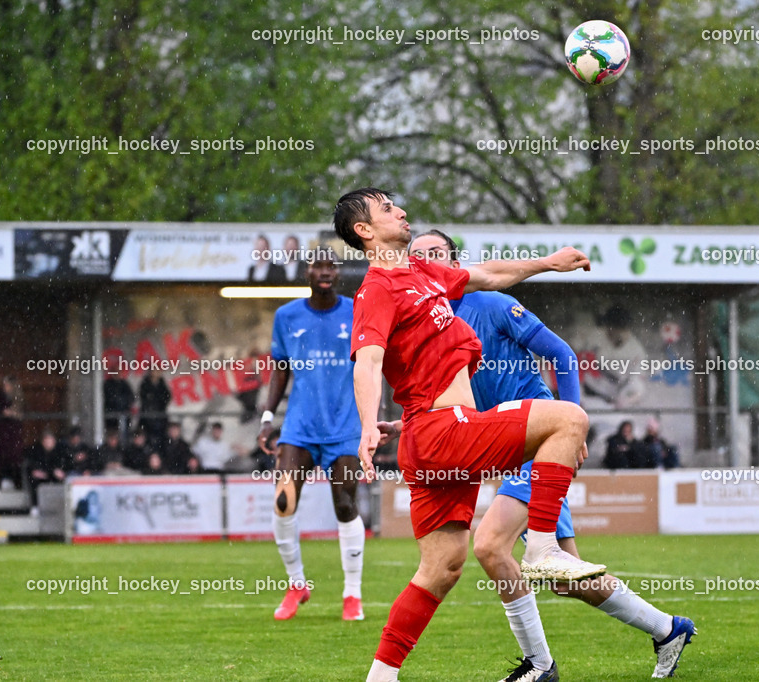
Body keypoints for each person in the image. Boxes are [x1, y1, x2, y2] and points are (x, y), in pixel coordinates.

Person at [333, 187, 605, 682]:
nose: (401, 210)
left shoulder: (423, 273)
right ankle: (544, 547)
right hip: (443, 432)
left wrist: (549, 261)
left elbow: (491, 274)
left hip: (430, 438)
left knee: (441, 568)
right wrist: (367, 424)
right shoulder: (375, 290)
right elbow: (367, 362)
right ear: (365, 232)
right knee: (569, 418)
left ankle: (380, 677)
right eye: (387, 208)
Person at [411, 230, 696, 680]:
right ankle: (668, 629)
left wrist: (571, 424)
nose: (425, 260)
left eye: (436, 253)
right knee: (564, 579)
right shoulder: (428, 322)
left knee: (489, 546)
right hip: (508, 447)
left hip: (540, 442)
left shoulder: (489, 303)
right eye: (417, 256)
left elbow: (562, 355)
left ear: (454, 263)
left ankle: (539, 667)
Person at [257, 252, 367, 621]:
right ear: (306, 272)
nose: (324, 272)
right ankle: (297, 583)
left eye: (331, 267)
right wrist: (268, 417)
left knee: (345, 506)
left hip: (345, 426)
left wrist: (372, 422)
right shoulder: (287, 316)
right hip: (300, 427)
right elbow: (280, 371)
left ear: (338, 273)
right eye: (318, 266)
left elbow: (373, 366)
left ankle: (352, 594)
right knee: (283, 502)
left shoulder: (357, 311)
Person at [24, 429, 68, 507]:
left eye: (50, 441)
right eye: (46, 441)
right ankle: (36, 505)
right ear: (42, 442)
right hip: (41, 480)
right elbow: (34, 468)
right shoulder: (36, 451)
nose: (48, 443)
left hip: (54, 479)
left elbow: (61, 469)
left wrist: (52, 473)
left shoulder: (59, 452)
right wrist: (49, 472)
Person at [0, 376, 24, 489]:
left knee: (14, 458)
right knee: (3, 456)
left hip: (13, 432)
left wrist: (12, 413)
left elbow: (20, 413)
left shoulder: (18, 398)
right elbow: (2, 410)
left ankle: (16, 482)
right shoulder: (0, 397)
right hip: (3, 431)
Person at [138, 370, 172, 451]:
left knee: (162, 437)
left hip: (160, 416)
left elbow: (167, 397)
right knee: (147, 438)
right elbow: (144, 398)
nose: (156, 373)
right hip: (147, 417)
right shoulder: (145, 384)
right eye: (154, 371)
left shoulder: (162, 384)